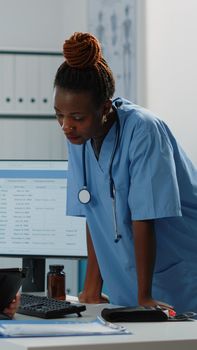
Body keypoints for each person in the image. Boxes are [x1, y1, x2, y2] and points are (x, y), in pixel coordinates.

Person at [53, 32, 197, 314]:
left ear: (104, 108)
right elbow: (92, 211)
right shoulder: (78, 136)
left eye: (77, 118)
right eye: (59, 114)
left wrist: (145, 296)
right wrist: (91, 288)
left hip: (173, 277)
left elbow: (145, 215)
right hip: (127, 287)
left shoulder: (143, 130)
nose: (66, 126)